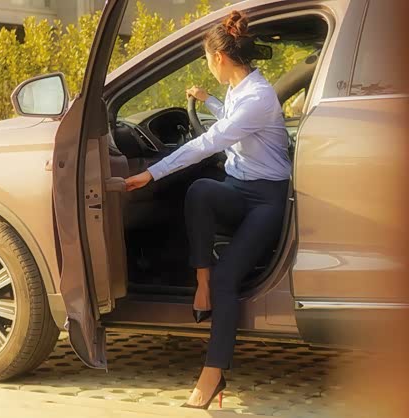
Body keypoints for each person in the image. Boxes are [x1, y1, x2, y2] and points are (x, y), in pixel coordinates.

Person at [124, 10, 292, 409]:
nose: (208, 65)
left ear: (219, 57)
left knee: (227, 278)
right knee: (200, 190)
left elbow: (210, 142)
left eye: (206, 59)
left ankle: (212, 375)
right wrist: (209, 100)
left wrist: (152, 173)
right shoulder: (238, 90)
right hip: (237, 188)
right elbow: (232, 120)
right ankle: (202, 281)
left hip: (267, 199)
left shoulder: (258, 96)